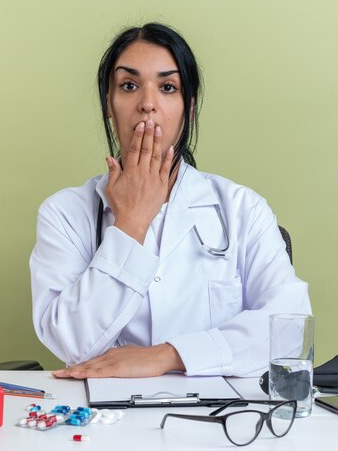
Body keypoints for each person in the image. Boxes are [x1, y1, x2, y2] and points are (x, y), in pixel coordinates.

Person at [30, 23, 311, 379]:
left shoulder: (242, 208)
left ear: (189, 108)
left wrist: (168, 356)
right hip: (107, 418)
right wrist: (131, 223)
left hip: (219, 418)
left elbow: (290, 329)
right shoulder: (65, 213)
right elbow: (72, 344)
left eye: (167, 87)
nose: (148, 104)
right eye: (129, 86)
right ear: (108, 106)